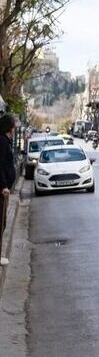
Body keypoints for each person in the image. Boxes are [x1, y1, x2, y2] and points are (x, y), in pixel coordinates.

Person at [0, 114, 16, 266]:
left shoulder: (5, 141)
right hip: (2, 190)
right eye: (13, 126)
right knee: (1, 222)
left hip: (4, 188)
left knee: (3, 222)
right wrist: (4, 185)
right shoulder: (3, 142)